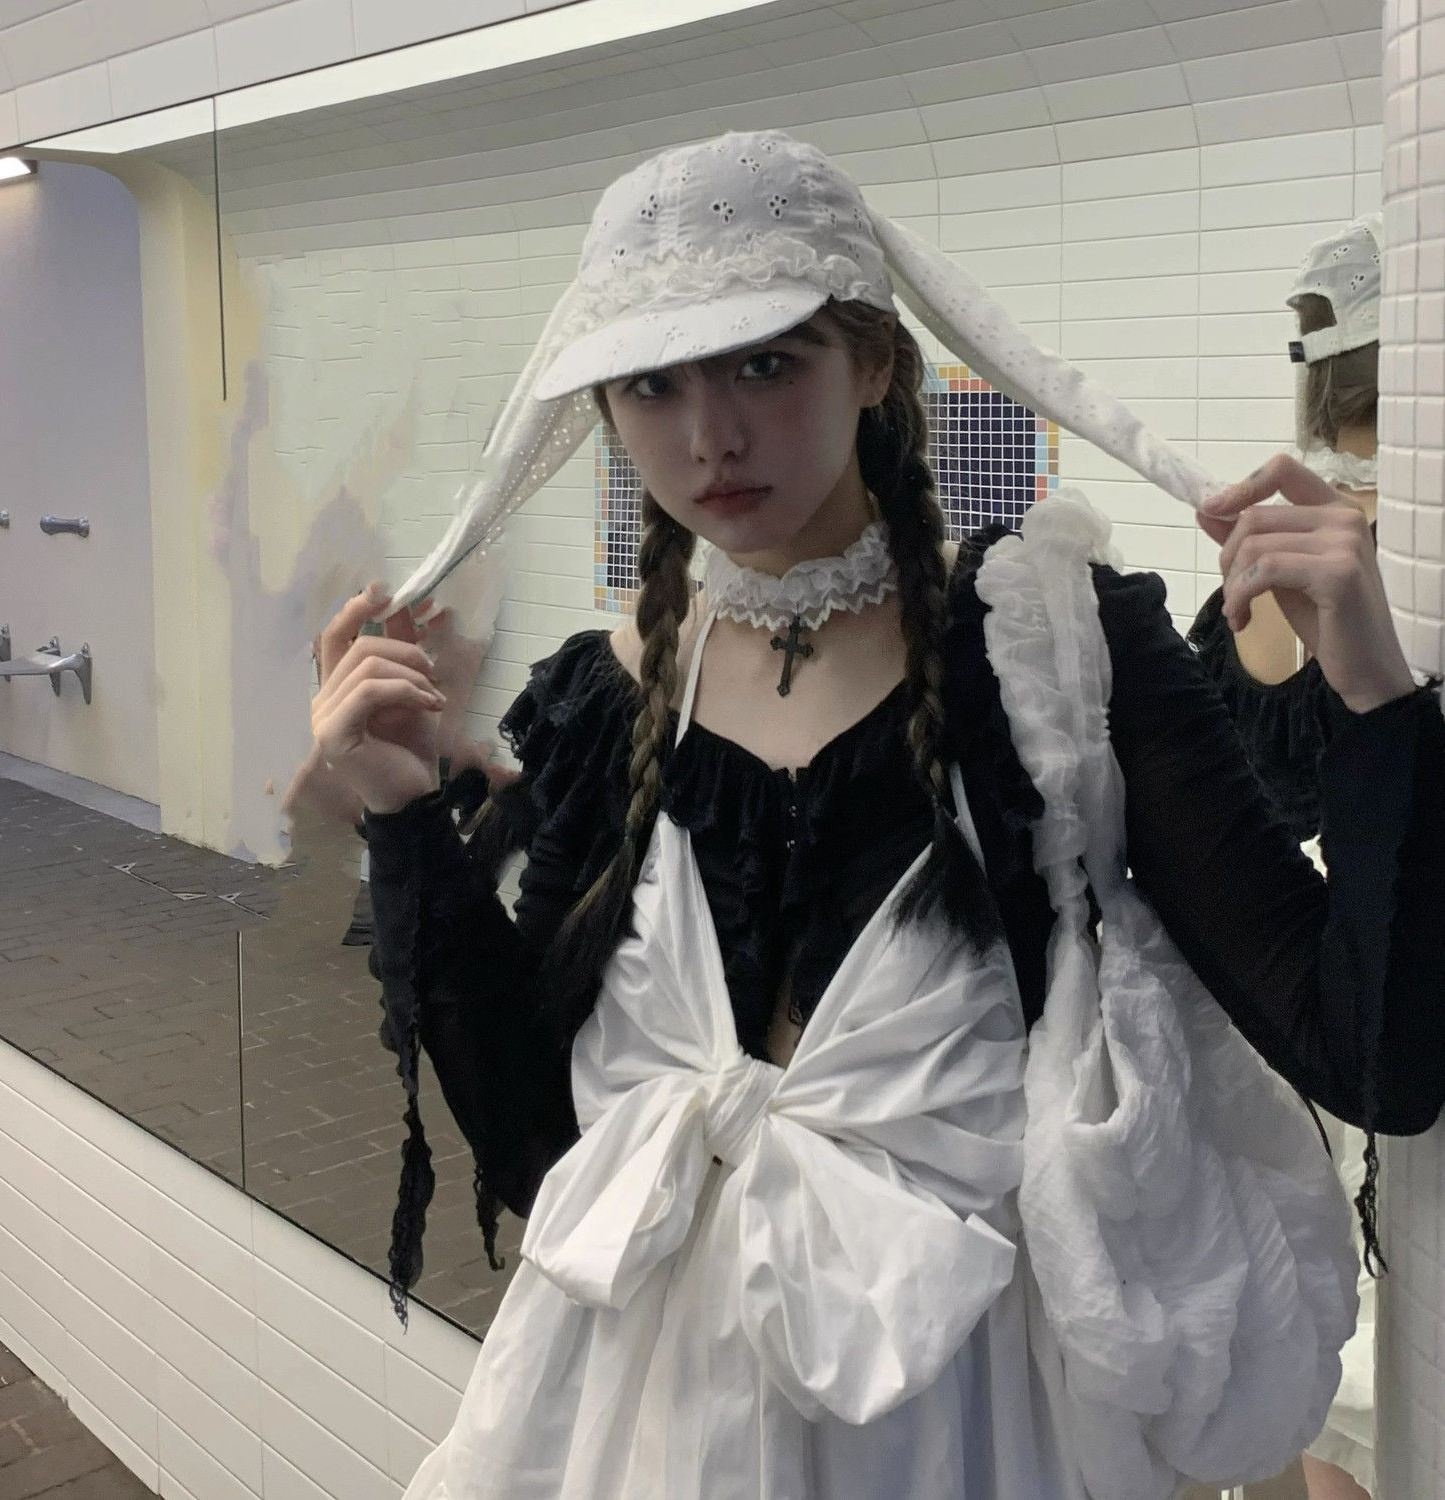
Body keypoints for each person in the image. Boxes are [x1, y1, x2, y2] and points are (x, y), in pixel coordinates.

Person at [309, 133, 1445, 1498]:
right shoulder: (608, 709)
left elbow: (1368, 1055)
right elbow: (544, 1148)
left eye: (765, 364)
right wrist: (404, 820)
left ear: (874, 363)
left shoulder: (1057, 652)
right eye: (653, 384)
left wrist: (1374, 700)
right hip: (641, 1430)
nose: (709, 436)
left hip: (977, 1430)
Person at [1188, 216, 1386, 1500]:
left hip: (1274, 1006)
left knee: (1314, 1366)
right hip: (1380, 992)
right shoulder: (1397, 547)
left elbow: (1240, 790)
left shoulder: (1267, 546)